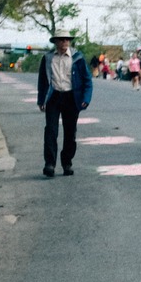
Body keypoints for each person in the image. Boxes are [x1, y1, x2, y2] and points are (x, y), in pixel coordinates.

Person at [36, 29, 92, 178]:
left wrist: (86, 98)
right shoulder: (48, 58)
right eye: (61, 39)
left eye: (67, 39)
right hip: (54, 96)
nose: (64, 42)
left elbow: (87, 80)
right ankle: (50, 164)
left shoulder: (78, 58)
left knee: (70, 132)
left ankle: (67, 162)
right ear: (55, 41)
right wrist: (41, 99)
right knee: (51, 130)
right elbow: (42, 80)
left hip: (71, 97)